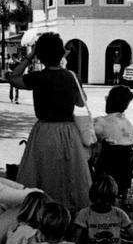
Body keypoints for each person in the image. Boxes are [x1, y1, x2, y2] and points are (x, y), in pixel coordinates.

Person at [9, 33, 92, 213]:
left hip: (44, 131)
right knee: (69, 176)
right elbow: (81, 101)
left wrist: (29, 56)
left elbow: (13, 77)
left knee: (44, 175)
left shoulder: (38, 77)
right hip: (69, 132)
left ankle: (43, 214)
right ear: (60, 53)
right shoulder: (71, 76)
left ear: (40, 54)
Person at [92, 85, 133, 196]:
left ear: (110, 101)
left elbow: (90, 138)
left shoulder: (101, 122)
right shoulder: (128, 124)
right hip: (124, 170)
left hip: (106, 166)